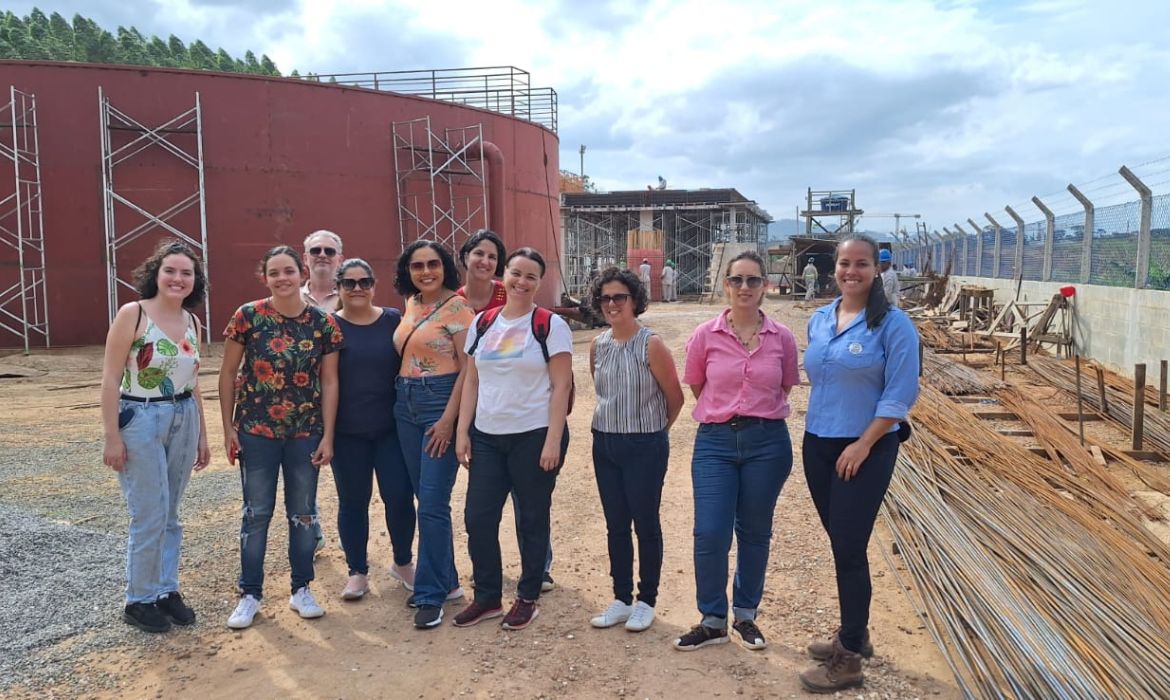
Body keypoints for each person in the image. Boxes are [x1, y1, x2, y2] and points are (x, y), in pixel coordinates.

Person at [798, 234, 920, 693]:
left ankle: (848, 656)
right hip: (819, 444)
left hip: (864, 448)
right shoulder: (820, 318)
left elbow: (901, 393)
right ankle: (856, 633)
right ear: (834, 268)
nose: (852, 272)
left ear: (877, 269)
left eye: (862, 264)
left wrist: (864, 443)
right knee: (841, 544)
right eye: (845, 263)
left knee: (849, 547)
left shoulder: (893, 325)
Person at [675, 250, 799, 652]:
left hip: (767, 442)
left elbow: (784, 386)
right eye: (737, 280)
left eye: (753, 280)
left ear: (765, 286)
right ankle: (712, 618)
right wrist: (726, 412)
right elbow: (697, 385)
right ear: (725, 285)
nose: (745, 287)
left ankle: (745, 615)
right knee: (710, 531)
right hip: (715, 442)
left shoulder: (782, 338)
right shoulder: (704, 336)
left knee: (754, 531)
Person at [220, 245, 343, 630]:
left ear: (301, 273)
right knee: (256, 514)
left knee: (303, 514)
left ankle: (301, 589)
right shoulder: (248, 317)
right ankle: (250, 594)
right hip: (256, 432)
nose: (282, 278)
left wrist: (328, 436)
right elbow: (227, 374)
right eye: (274, 273)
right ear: (266, 277)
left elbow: (330, 380)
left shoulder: (323, 324)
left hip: (305, 433)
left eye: (288, 270)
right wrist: (227, 428)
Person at [454, 247, 572, 631]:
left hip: (533, 435)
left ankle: (527, 596)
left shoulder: (549, 325)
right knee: (478, 518)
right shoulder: (483, 323)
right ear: (504, 276)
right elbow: (471, 380)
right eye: (516, 274)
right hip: (487, 436)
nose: (522, 282)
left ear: (539, 283)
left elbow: (561, 386)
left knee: (531, 518)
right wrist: (463, 432)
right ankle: (487, 596)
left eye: (531, 277)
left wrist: (553, 440)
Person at [101, 239, 211, 633]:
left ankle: (166, 590)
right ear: (156, 273)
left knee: (171, 513)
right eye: (171, 271)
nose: (178, 279)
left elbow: (193, 380)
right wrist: (112, 436)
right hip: (140, 416)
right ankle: (139, 599)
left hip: (183, 415)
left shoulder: (192, 322)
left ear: (195, 280)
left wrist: (202, 434)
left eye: (187, 273)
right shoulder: (134, 314)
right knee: (148, 513)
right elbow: (111, 378)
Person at [586, 267, 684, 633]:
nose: (612, 304)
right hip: (605, 442)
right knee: (615, 525)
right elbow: (602, 390)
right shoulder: (598, 345)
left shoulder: (651, 344)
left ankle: (647, 599)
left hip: (644, 444)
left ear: (634, 301)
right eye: (605, 298)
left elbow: (674, 397)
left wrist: (655, 435)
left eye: (619, 297)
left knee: (645, 523)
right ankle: (621, 597)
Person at [393, 240, 474, 629]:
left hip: (438, 402)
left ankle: (430, 594)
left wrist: (448, 422)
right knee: (421, 496)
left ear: (445, 267)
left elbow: (469, 370)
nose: (425, 272)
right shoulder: (411, 304)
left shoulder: (458, 309)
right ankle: (450, 581)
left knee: (431, 502)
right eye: (417, 266)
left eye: (433, 264)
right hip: (404, 405)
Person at [330, 258, 416, 600]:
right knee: (353, 501)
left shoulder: (393, 320)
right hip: (347, 432)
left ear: (374, 286)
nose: (357, 289)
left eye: (364, 282)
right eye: (349, 283)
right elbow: (327, 380)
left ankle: (403, 562)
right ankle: (357, 571)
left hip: (391, 429)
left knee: (398, 497)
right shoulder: (329, 326)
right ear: (338, 288)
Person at [301, 229, 344, 554]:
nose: (322, 255)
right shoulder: (291, 297)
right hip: (302, 400)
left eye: (330, 251)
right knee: (304, 470)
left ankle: (354, 544)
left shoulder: (353, 294)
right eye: (316, 250)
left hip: (348, 395)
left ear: (339, 258)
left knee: (348, 475)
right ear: (305, 258)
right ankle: (311, 533)